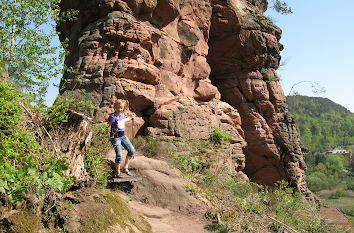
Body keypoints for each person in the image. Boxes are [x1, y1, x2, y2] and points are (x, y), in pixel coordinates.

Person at [106, 99, 135, 178]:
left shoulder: (122, 115)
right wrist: (107, 136)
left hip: (123, 136)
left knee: (131, 150)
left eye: (121, 108)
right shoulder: (112, 117)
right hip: (115, 137)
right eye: (118, 107)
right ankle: (117, 173)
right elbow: (107, 126)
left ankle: (125, 168)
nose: (120, 109)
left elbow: (123, 120)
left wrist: (131, 118)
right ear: (115, 107)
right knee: (119, 155)